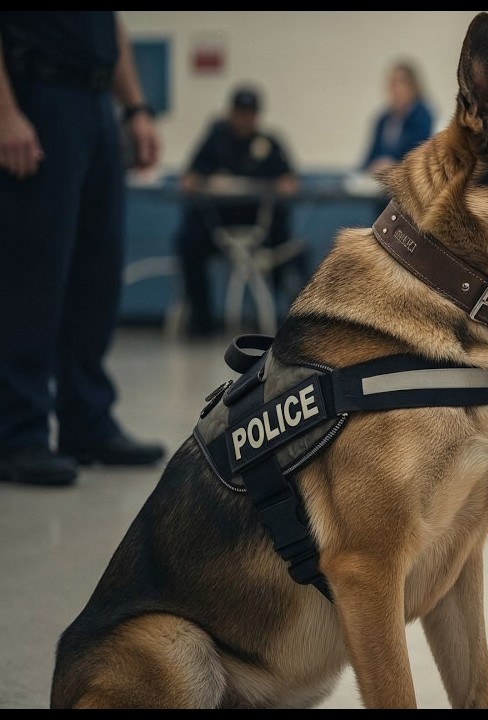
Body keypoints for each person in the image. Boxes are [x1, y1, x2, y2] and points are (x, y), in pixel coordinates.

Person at [0, 11, 166, 487]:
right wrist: (5, 112)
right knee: (32, 275)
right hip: (35, 94)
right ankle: (18, 433)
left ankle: (87, 419)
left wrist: (134, 108)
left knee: (97, 271)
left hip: (95, 103)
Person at [172, 84, 301, 338]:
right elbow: (189, 178)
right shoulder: (215, 139)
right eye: (240, 112)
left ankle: (287, 323)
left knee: (291, 249)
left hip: (258, 228)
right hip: (218, 227)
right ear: (230, 112)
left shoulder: (268, 143)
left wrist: (273, 186)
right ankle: (202, 322)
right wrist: (205, 181)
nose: (245, 119)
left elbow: (290, 182)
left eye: (250, 113)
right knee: (188, 241)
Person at [356, 58, 435, 219]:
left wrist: (392, 166)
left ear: (412, 86)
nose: (394, 90)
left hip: (412, 197)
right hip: (382, 195)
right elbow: (369, 157)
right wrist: (371, 167)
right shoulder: (383, 119)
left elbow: (419, 155)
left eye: (399, 83)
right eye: (391, 84)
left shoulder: (422, 116)